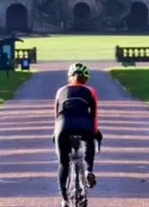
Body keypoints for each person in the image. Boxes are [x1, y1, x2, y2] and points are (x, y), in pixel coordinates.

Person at [53, 62, 102, 206]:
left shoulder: (60, 91)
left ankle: (64, 198)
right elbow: (94, 115)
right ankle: (89, 171)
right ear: (86, 78)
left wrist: (55, 133)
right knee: (89, 142)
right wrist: (95, 132)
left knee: (63, 163)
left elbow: (56, 116)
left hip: (63, 125)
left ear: (69, 77)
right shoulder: (91, 91)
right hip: (84, 124)